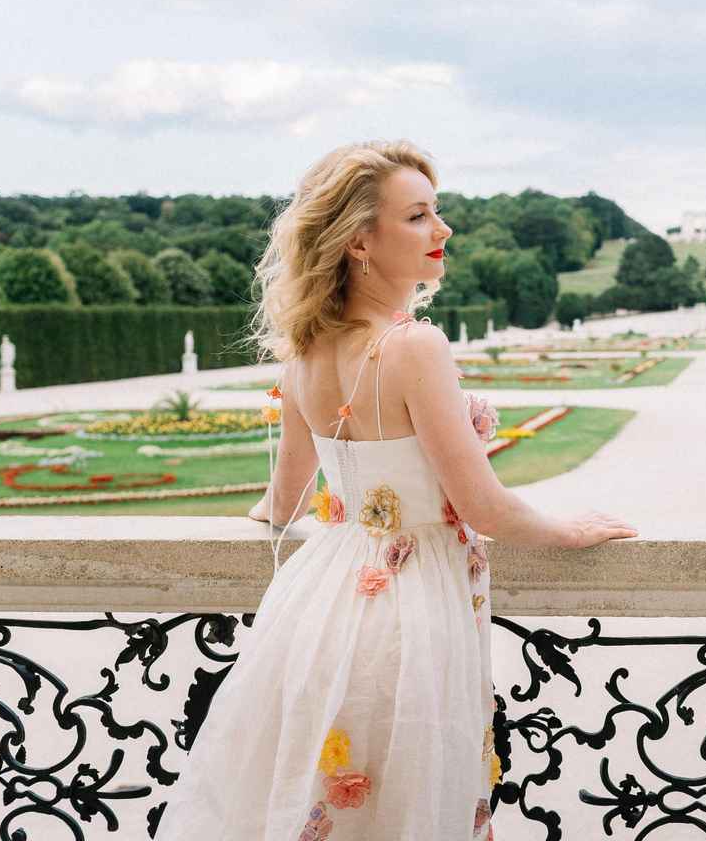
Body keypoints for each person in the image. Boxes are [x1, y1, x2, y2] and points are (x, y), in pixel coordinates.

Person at [154, 139, 637, 841]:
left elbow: (282, 502)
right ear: (359, 241)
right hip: (410, 615)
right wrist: (569, 530)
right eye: (418, 217)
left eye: (434, 213)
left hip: (317, 611)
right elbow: (484, 507)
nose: (442, 231)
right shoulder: (416, 346)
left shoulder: (305, 351)